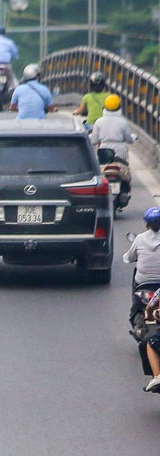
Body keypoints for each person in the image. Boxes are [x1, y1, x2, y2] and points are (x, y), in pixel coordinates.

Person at [126, 208, 160, 386]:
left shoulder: (139, 239)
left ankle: (156, 376)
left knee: (150, 343)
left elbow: (129, 257)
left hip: (144, 287)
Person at [92, 94, 136, 203]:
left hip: (104, 151)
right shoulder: (123, 122)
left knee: (100, 172)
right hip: (120, 151)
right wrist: (133, 138)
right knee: (124, 172)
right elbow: (128, 138)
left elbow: (93, 140)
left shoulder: (99, 121)